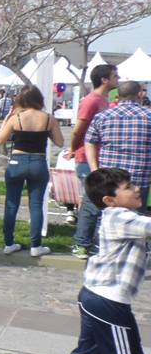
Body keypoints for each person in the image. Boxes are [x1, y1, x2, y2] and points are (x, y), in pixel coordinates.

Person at [45, 167, 151, 354]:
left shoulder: (121, 215)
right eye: (128, 187)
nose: (137, 188)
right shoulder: (120, 217)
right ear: (109, 200)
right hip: (109, 301)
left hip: (94, 296)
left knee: (91, 353)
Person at [0, 85, 65, 256]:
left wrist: (5, 121)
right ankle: (36, 246)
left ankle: (9, 243)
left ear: (21, 100)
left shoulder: (16, 118)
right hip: (38, 162)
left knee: (11, 204)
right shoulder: (48, 118)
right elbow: (60, 142)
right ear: (39, 99)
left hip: (17, 161)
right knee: (36, 205)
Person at [69, 64, 120, 259]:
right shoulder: (91, 101)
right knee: (91, 202)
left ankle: (92, 242)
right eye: (115, 76)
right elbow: (78, 129)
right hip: (86, 157)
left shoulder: (104, 100)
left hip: (100, 157)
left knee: (100, 202)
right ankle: (81, 243)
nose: (118, 79)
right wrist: (74, 149)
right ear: (104, 80)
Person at [84, 81, 151, 211]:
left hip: (109, 180)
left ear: (118, 95)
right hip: (138, 179)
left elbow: (89, 141)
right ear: (140, 94)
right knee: (135, 223)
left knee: (106, 219)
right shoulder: (148, 116)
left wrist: (94, 169)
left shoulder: (102, 117)